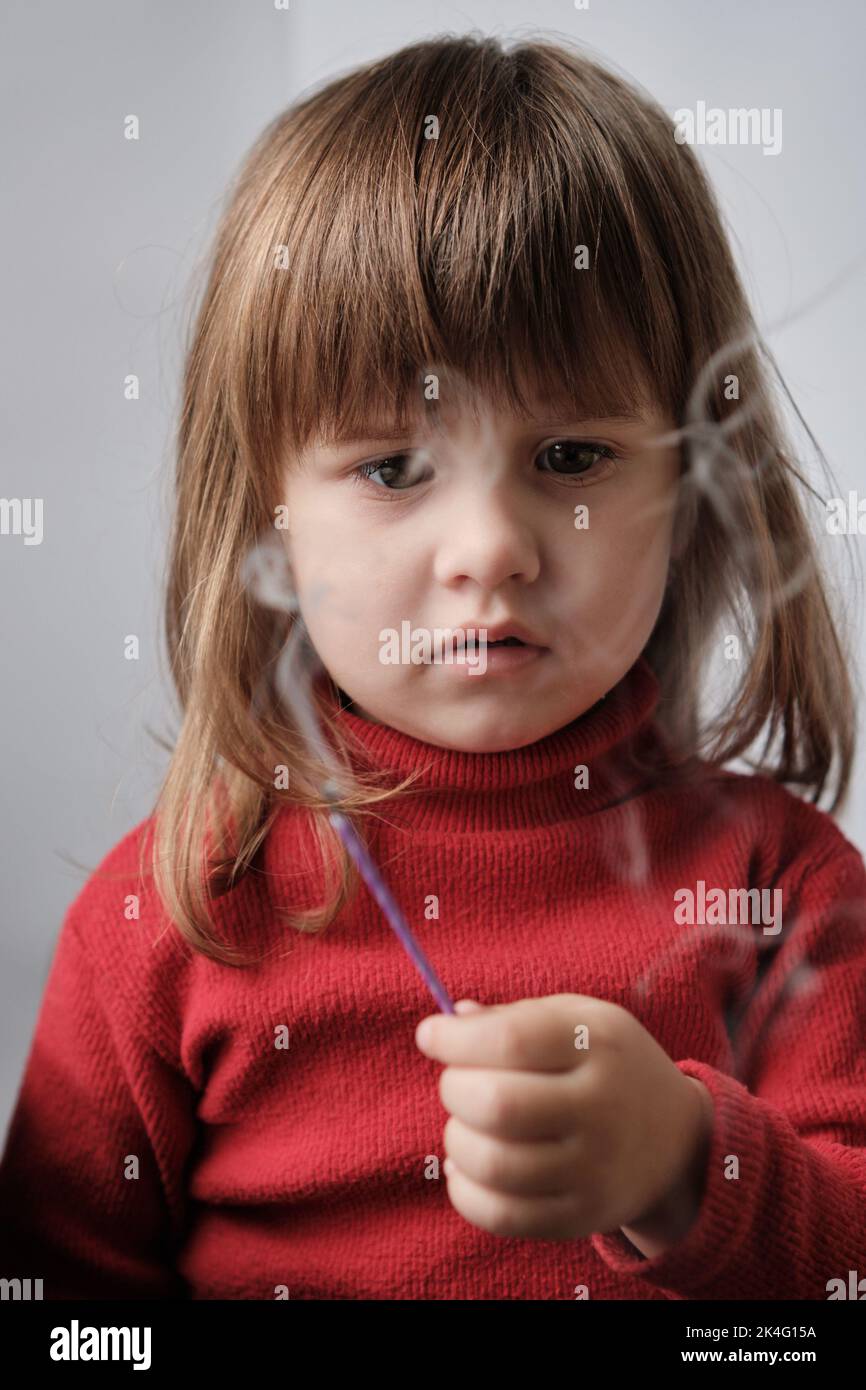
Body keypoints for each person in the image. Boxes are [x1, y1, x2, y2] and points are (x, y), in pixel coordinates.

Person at [1, 33, 864, 1300]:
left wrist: (689, 1167)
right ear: (267, 525)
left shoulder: (779, 892)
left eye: (569, 458)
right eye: (392, 468)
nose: (491, 551)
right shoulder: (175, 914)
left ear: (694, 489)